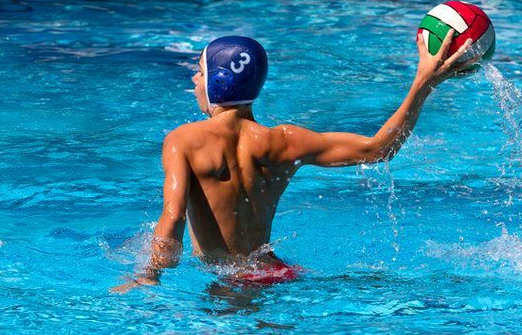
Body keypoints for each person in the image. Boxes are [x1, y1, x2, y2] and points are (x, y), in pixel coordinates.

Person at [111, 30, 476, 294]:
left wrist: (150, 274)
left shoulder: (183, 140)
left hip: (232, 280)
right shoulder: (284, 141)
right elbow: (379, 149)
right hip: (279, 272)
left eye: (201, 71)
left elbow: (172, 218)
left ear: (219, 82)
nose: (194, 78)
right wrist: (423, 83)